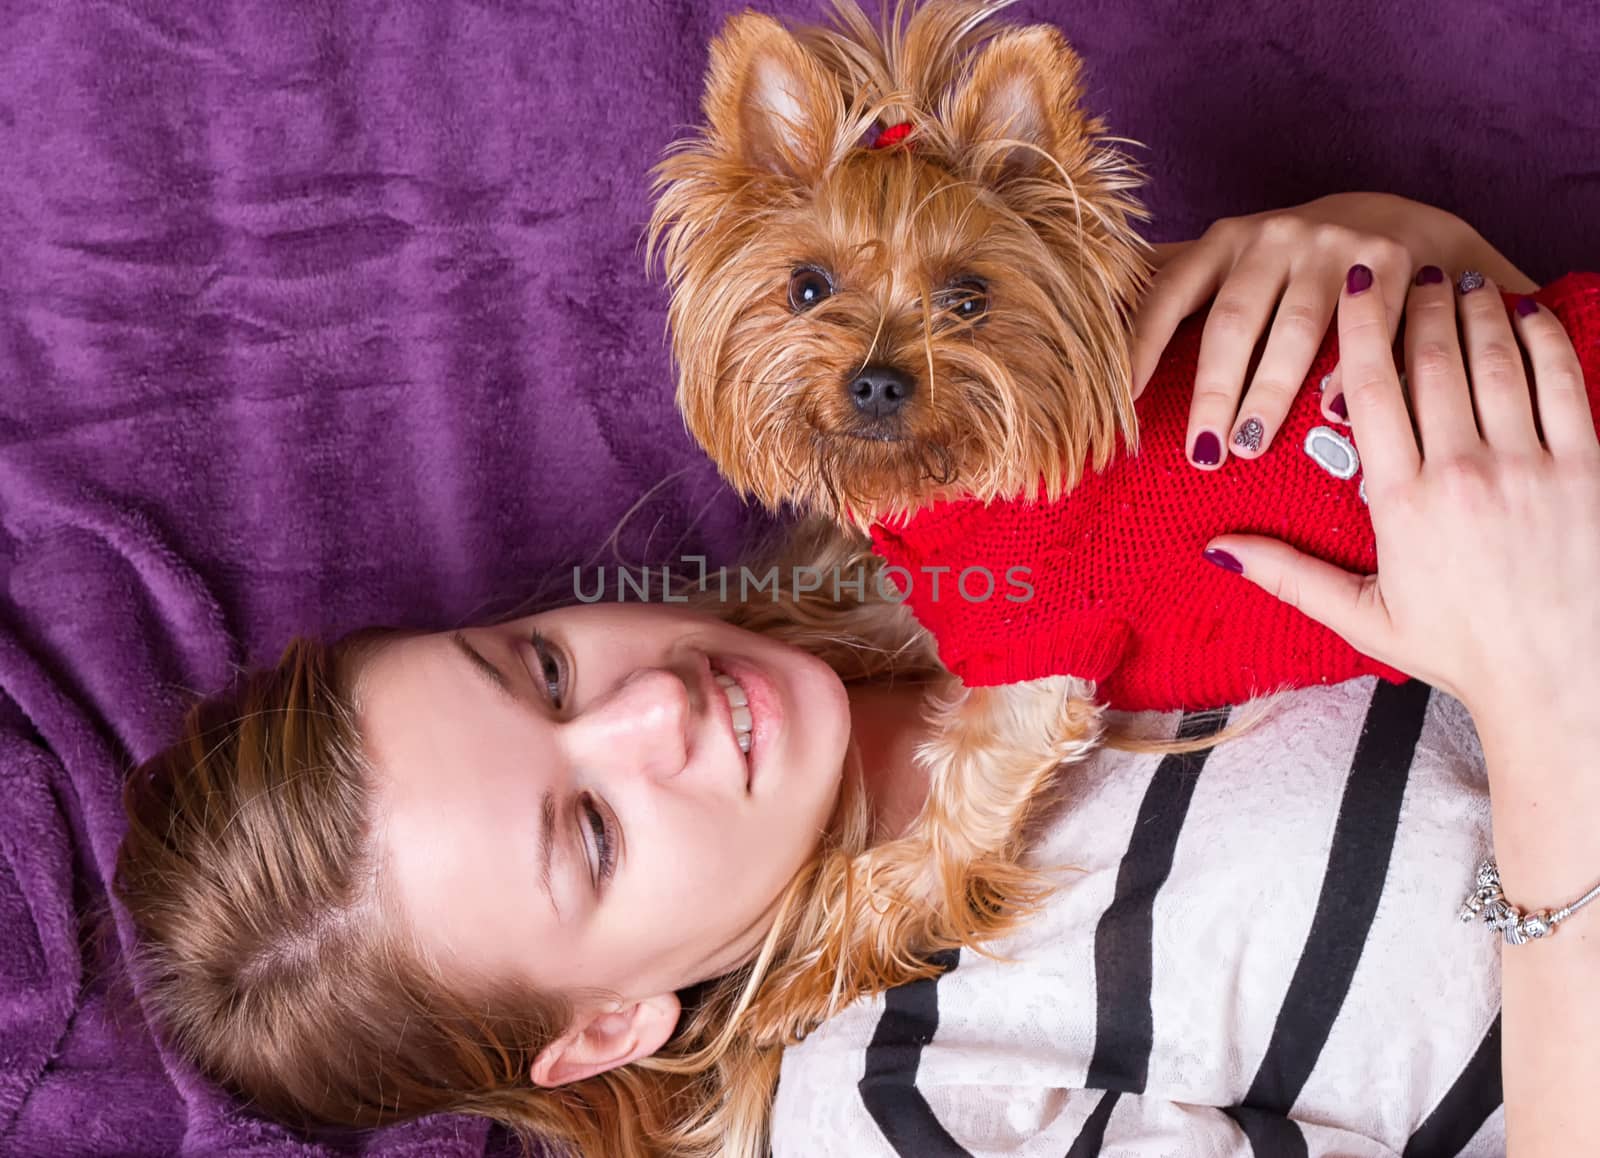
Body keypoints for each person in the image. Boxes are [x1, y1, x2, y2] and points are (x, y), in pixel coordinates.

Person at [113, 193, 1596, 1158]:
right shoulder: (892, 1101)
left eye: (544, 670)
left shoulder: (938, 491)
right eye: (592, 831)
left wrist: (1402, 258)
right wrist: (1551, 708)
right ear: (605, 1026)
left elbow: (1515, 476)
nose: (655, 710)